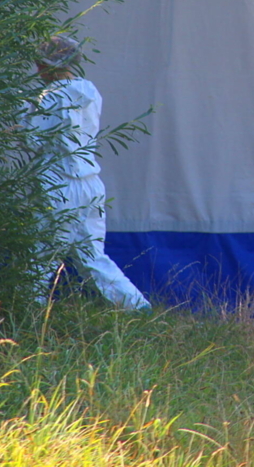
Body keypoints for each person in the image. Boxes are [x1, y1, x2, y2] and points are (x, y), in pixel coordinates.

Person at [26, 35, 151, 310]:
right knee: (93, 256)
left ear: (44, 65)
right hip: (90, 183)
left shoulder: (50, 96)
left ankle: (28, 315)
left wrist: (22, 118)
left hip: (57, 182)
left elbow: (33, 139)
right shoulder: (90, 91)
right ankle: (138, 308)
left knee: (39, 257)